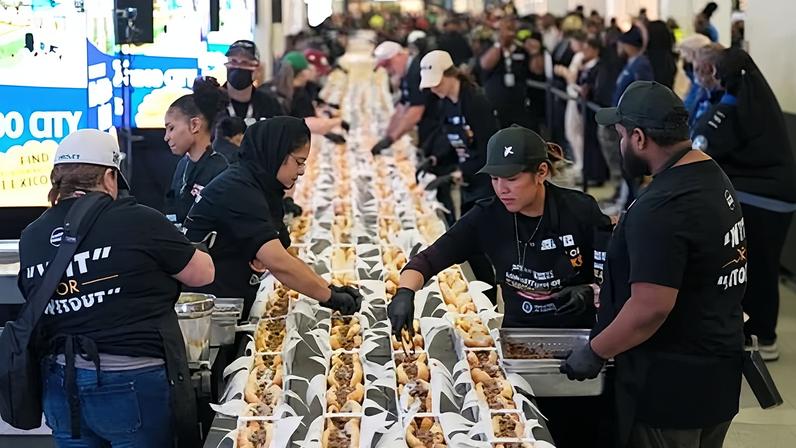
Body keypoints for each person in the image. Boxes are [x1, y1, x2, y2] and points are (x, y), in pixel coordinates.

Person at [389, 126, 614, 448]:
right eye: (495, 179)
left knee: (579, 431)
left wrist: (590, 291)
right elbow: (428, 259)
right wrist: (405, 292)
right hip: (519, 348)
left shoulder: (580, 211)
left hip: (578, 348)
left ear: (541, 172)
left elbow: (616, 278)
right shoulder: (486, 217)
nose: (501, 189)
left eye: (511, 179)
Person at [562, 81, 747, 448]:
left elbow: (651, 308)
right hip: (717, 369)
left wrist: (595, 351)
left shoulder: (662, 205)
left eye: (620, 136)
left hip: (671, 388)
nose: (619, 146)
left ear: (640, 138)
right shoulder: (710, 175)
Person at [19, 129, 214, 447]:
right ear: (110, 176)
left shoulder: (32, 235)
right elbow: (202, 274)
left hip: (59, 383)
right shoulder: (137, 220)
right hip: (131, 384)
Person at [184, 117, 362, 318]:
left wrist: (330, 288)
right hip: (204, 310)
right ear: (276, 154)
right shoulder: (238, 190)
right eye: (299, 162)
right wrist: (329, 297)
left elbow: (280, 257)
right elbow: (279, 263)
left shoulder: (258, 183)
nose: (302, 171)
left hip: (225, 298)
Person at [691, 49, 796, 361]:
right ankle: (758, 332)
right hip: (772, 198)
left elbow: (704, 141)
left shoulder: (733, 103)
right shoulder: (755, 98)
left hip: (762, 200)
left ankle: (763, 337)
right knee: (761, 268)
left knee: (757, 270)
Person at [419, 49, 500, 300]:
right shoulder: (446, 103)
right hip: (468, 180)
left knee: (478, 243)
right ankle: (482, 295)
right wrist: (434, 159)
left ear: (450, 75)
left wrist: (456, 174)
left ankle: (488, 299)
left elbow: (489, 148)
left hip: (485, 181)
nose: (433, 90)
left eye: (437, 83)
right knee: (470, 242)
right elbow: (450, 139)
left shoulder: (475, 101)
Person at [602, 26, 654, 216]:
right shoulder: (631, 62)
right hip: (621, 119)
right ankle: (624, 201)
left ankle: (629, 205)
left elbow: (641, 92)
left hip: (630, 122)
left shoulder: (641, 65)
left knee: (630, 169)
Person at [163, 77, 229, 226]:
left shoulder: (221, 170)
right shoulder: (182, 166)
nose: (166, 137)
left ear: (194, 125)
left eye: (171, 128)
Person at [370, 40, 440, 154]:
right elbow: (402, 106)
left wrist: (391, 139)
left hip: (438, 125)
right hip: (429, 125)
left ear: (400, 55)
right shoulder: (407, 72)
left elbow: (416, 111)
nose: (388, 70)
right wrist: (387, 134)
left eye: (389, 64)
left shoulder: (417, 71)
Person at [479, 16, 535, 129]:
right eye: (507, 29)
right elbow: (485, 64)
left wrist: (535, 52)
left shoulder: (521, 48)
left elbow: (535, 69)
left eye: (512, 29)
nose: (510, 32)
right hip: (495, 101)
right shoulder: (490, 45)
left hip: (519, 102)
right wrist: (500, 43)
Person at [223, 40, 284, 126]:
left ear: (257, 69)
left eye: (245, 63)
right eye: (234, 61)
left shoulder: (270, 105)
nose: (238, 67)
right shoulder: (212, 102)